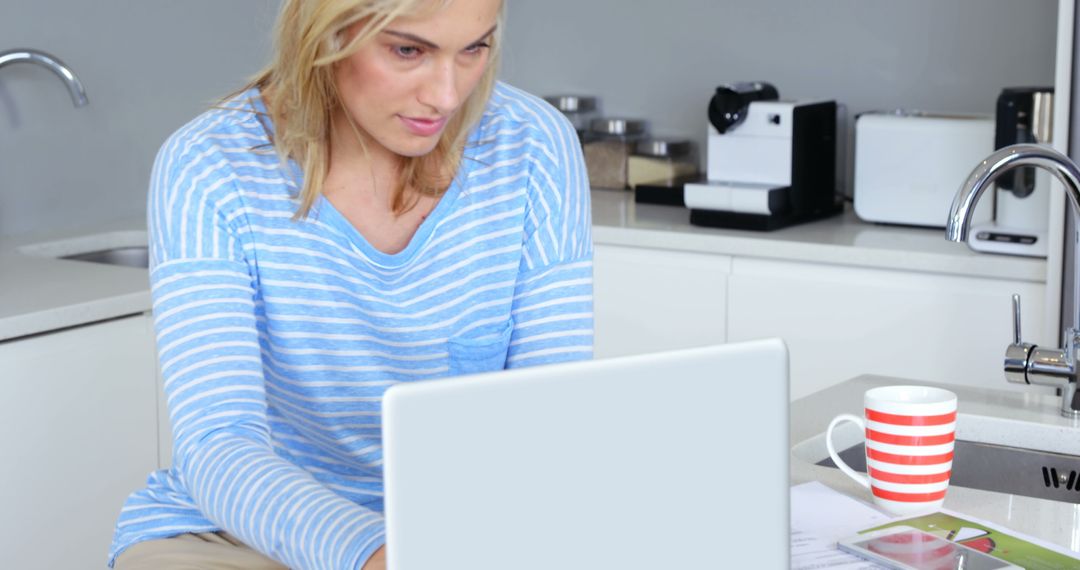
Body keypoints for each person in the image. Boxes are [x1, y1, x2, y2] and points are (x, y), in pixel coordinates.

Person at [108, 0, 593, 567]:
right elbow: (220, 444)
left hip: (458, 528)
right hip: (242, 529)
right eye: (408, 50)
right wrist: (376, 555)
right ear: (324, 34)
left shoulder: (533, 146)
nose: (446, 95)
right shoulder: (209, 165)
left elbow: (552, 423)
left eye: (474, 49)